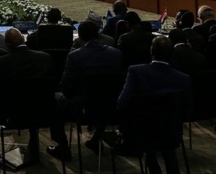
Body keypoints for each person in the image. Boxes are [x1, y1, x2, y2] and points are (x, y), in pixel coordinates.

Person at [47, 21, 124, 160]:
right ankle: (96, 138)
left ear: (80, 36)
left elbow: (66, 87)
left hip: (82, 108)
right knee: (104, 98)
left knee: (52, 99)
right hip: (112, 107)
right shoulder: (116, 53)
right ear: (98, 34)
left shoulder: (75, 56)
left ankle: (63, 147)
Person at [117, 36, 192, 174]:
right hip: (172, 131)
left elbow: (122, 102)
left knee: (151, 139)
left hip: (142, 131)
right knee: (165, 143)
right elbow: (186, 107)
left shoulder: (136, 71)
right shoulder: (184, 78)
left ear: (151, 51)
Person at [0, 28, 55, 162]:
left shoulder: (1, 63)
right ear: (23, 40)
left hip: (12, 115)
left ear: (7, 45)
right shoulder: (45, 58)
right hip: (45, 113)